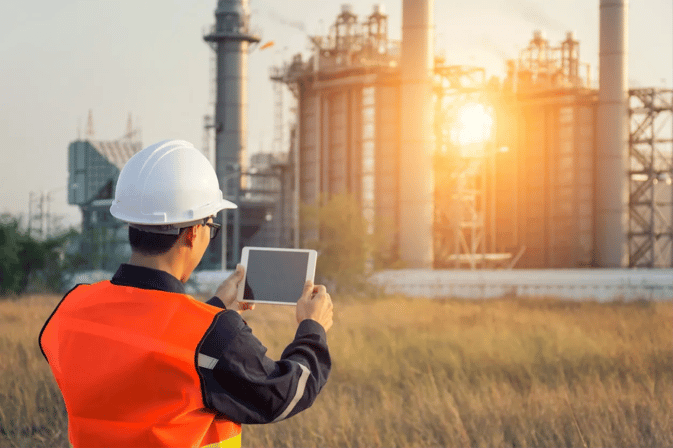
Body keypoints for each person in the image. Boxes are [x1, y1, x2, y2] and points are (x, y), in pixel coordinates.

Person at [39, 139, 333, 448]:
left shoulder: (72, 307)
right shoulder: (215, 334)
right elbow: (285, 394)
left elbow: (146, 350)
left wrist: (216, 307)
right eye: (212, 226)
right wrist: (312, 329)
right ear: (194, 232)